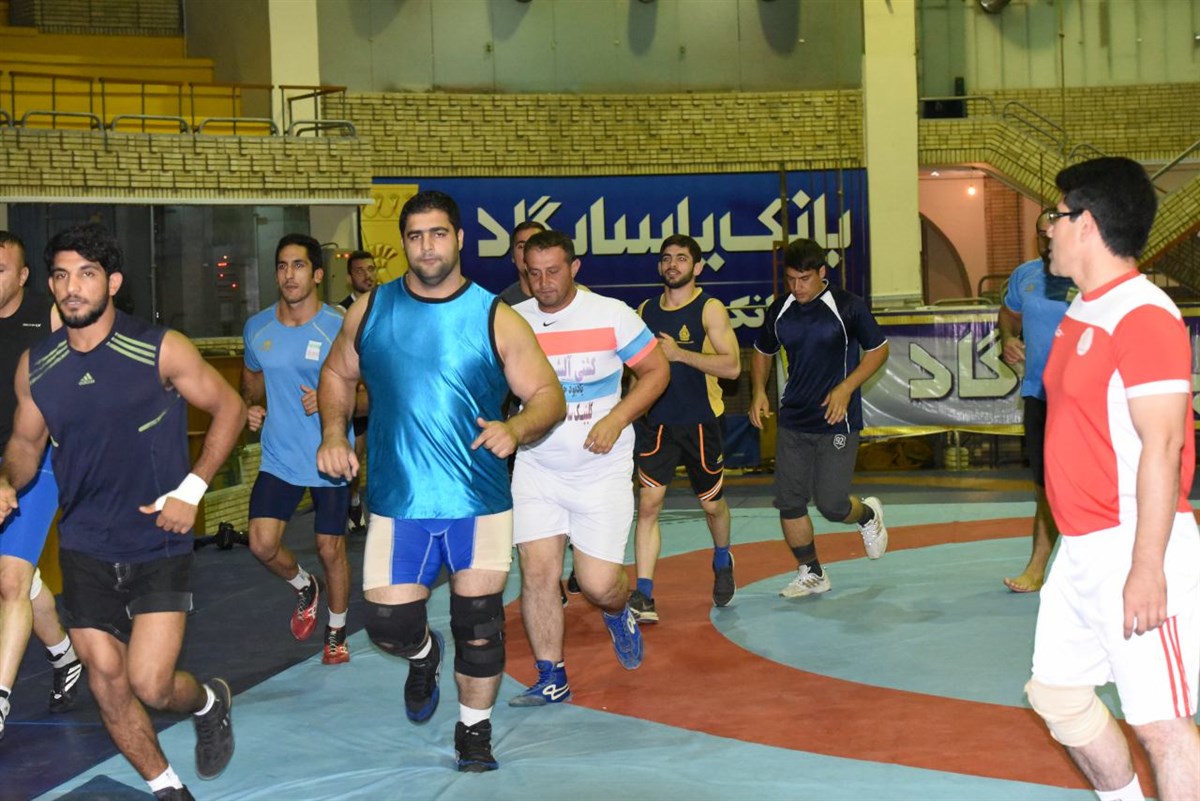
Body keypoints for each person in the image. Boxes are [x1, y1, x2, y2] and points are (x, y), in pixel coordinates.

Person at [316, 190, 564, 772]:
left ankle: (474, 731)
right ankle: (424, 655)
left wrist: (517, 427)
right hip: (398, 500)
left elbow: (547, 394)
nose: (427, 247)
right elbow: (336, 373)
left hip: (478, 501)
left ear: (459, 239)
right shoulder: (371, 310)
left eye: (438, 234)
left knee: (479, 626)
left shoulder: (493, 316)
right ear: (404, 244)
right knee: (388, 624)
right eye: (415, 236)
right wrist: (332, 433)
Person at [0, 224, 245, 800]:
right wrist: (7, 479)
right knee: (108, 683)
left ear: (111, 282)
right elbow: (26, 444)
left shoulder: (159, 348)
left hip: (157, 537)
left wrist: (193, 489)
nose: (72, 288)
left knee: (152, 684)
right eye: (62, 275)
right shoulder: (38, 366)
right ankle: (168, 788)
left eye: (86, 274)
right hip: (85, 543)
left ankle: (208, 701)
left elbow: (230, 407)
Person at [1027, 156, 1200, 801]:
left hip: (1135, 542)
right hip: (1082, 548)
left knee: (1162, 726)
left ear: (1087, 224)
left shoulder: (1144, 315)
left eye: (1055, 216)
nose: (1048, 229)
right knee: (1058, 695)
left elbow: (1165, 444)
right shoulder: (1087, 307)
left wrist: (1147, 567)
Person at [507, 230, 669, 706]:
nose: (544, 282)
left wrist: (617, 418)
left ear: (574, 268)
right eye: (534, 273)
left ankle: (619, 612)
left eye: (553, 271)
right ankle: (551, 676)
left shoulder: (611, 314)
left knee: (599, 585)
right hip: (537, 467)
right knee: (538, 574)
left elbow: (657, 371)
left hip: (600, 470)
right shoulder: (514, 322)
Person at [748, 239, 889, 598]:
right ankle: (811, 571)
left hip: (836, 420)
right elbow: (762, 350)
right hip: (794, 420)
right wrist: (759, 391)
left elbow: (878, 350)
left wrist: (846, 388)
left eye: (805, 279)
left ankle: (867, 516)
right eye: (791, 280)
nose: (798, 288)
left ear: (822, 272)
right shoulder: (780, 309)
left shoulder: (847, 306)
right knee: (789, 502)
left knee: (831, 505)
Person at [243, 234, 355, 665]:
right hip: (280, 457)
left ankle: (336, 630)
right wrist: (251, 407)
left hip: (330, 456)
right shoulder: (258, 328)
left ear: (318, 274)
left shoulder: (339, 324)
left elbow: (368, 391)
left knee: (330, 549)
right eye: (282, 266)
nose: (289, 275)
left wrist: (332, 400)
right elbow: (252, 382)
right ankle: (304, 586)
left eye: (299, 265)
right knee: (261, 544)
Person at [630, 234, 741, 622]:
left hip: (700, 422)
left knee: (712, 505)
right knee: (648, 504)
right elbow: (636, 370)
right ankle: (644, 594)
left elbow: (732, 367)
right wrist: (626, 412)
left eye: (681, 258)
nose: (672, 264)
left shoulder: (710, 308)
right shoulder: (645, 311)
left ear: (697, 267)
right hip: (657, 423)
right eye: (666, 258)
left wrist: (679, 354)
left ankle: (723, 558)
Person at [0, 231, 82, 741]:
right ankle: (64, 655)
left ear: (24, 275)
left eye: (0, 269)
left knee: (10, 580)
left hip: (38, 461)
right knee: (22, 577)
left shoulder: (45, 317)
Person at [998, 232, 1073, 593]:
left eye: (1054, 230)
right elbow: (1008, 315)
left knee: (1085, 484)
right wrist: (1008, 339)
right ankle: (1037, 567)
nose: (1048, 238)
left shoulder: (1088, 275)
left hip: (1083, 397)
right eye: (1042, 232)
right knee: (1045, 485)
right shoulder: (1025, 274)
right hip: (1038, 392)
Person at [338, 250, 375, 533]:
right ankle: (352, 499)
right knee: (355, 455)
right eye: (360, 271)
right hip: (358, 392)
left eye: (371, 269)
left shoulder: (387, 304)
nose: (367, 275)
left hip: (383, 389)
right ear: (350, 277)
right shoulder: (340, 312)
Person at [498, 221, 546, 307]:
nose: (527, 252)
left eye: (535, 244)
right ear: (513, 255)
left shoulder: (570, 296)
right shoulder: (502, 305)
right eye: (521, 246)